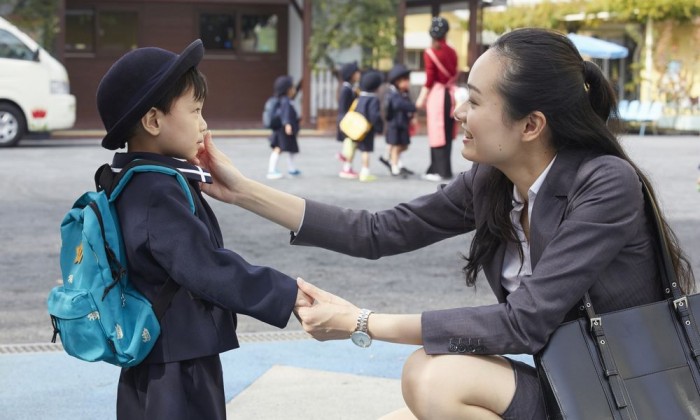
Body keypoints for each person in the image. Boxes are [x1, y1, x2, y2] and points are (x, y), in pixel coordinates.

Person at [193, 28, 696, 419]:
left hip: (621, 394)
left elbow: (524, 322)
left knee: (432, 380)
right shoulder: (491, 181)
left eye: (475, 101)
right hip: (564, 383)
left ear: (531, 125)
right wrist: (244, 192)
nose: (457, 111)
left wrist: (361, 323)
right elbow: (376, 231)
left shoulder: (606, 183)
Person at [95, 40, 309, 419]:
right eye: (195, 111)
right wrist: (286, 293)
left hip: (151, 352)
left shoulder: (133, 179)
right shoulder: (157, 191)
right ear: (154, 121)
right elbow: (206, 267)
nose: (204, 124)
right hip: (177, 362)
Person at [415, 16, 458, 182]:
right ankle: (444, 169)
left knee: (436, 132)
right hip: (450, 95)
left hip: (437, 95)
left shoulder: (430, 52)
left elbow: (430, 79)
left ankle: (437, 170)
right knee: (446, 132)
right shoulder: (452, 51)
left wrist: (420, 99)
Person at [346, 70, 384, 182]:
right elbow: (374, 115)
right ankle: (365, 172)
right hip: (366, 130)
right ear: (376, 86)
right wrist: (379, 127)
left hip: (355, 128)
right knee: (365, 151)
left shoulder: (360, 97)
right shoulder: (373, 99)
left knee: (353, 147)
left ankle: (347, 167)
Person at [380, 63, 417, 178]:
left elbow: (408, 106)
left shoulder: (404, 93)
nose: (408, 83)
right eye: (405, 80)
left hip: (403, 124)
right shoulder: (393, 94)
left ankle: (390, 158)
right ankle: (395, 167)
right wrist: (412, 107)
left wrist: (412, 116)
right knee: (396, 145)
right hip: (394, 125)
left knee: (404, 145)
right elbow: (399, 105)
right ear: (397, 81)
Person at [267, 75, 301, 179]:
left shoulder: (282, 100)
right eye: (292, 87)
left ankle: (291, 169)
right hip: (284, 130)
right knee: (279, 148)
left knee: (291, 149)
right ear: (288, 89)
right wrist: (288, 124)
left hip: (282, 129)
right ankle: (272, 170)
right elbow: (285, 114)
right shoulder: (285, 100)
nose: (294, 90)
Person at [336, 61, 361, 179]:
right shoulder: (346, 89)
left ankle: (347, 165)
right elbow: (344, 107)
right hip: (347, 120)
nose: (359, 74)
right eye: (357, 72)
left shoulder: (349, 88)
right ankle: (346, 166)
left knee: (351, 143)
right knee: (350, 143)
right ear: (351, 74)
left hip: (348, 120)